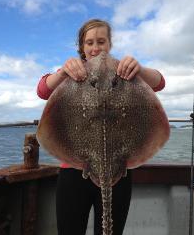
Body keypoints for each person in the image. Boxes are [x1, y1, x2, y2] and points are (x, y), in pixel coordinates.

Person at [37, 19, 166, 235]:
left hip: (118, 166)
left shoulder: (123, 71)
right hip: (74, 167)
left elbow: (159, 82)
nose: (95, 48)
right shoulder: (72, 72)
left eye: (101, 41)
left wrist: (139, 69)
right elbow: (42, 90)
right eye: (89, 43)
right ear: (82, 47)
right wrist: (62, 73)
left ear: (109, 44)